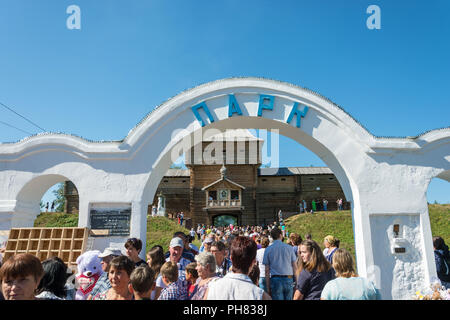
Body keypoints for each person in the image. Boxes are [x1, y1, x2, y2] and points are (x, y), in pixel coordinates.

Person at [205, 236, 271, 300]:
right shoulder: (260, 295)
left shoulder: (212, 288)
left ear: (231, 258)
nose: (211, 253)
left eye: (214, 251)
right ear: (253, 262)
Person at [263, 227, 297, 300]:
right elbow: (295, 266)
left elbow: (267, 270)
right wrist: (297, 281)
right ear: (281, 235)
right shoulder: (289, 248)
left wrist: (268, 287)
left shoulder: (268, 249)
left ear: (271, 237)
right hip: (288, 278)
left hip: (275, 279)